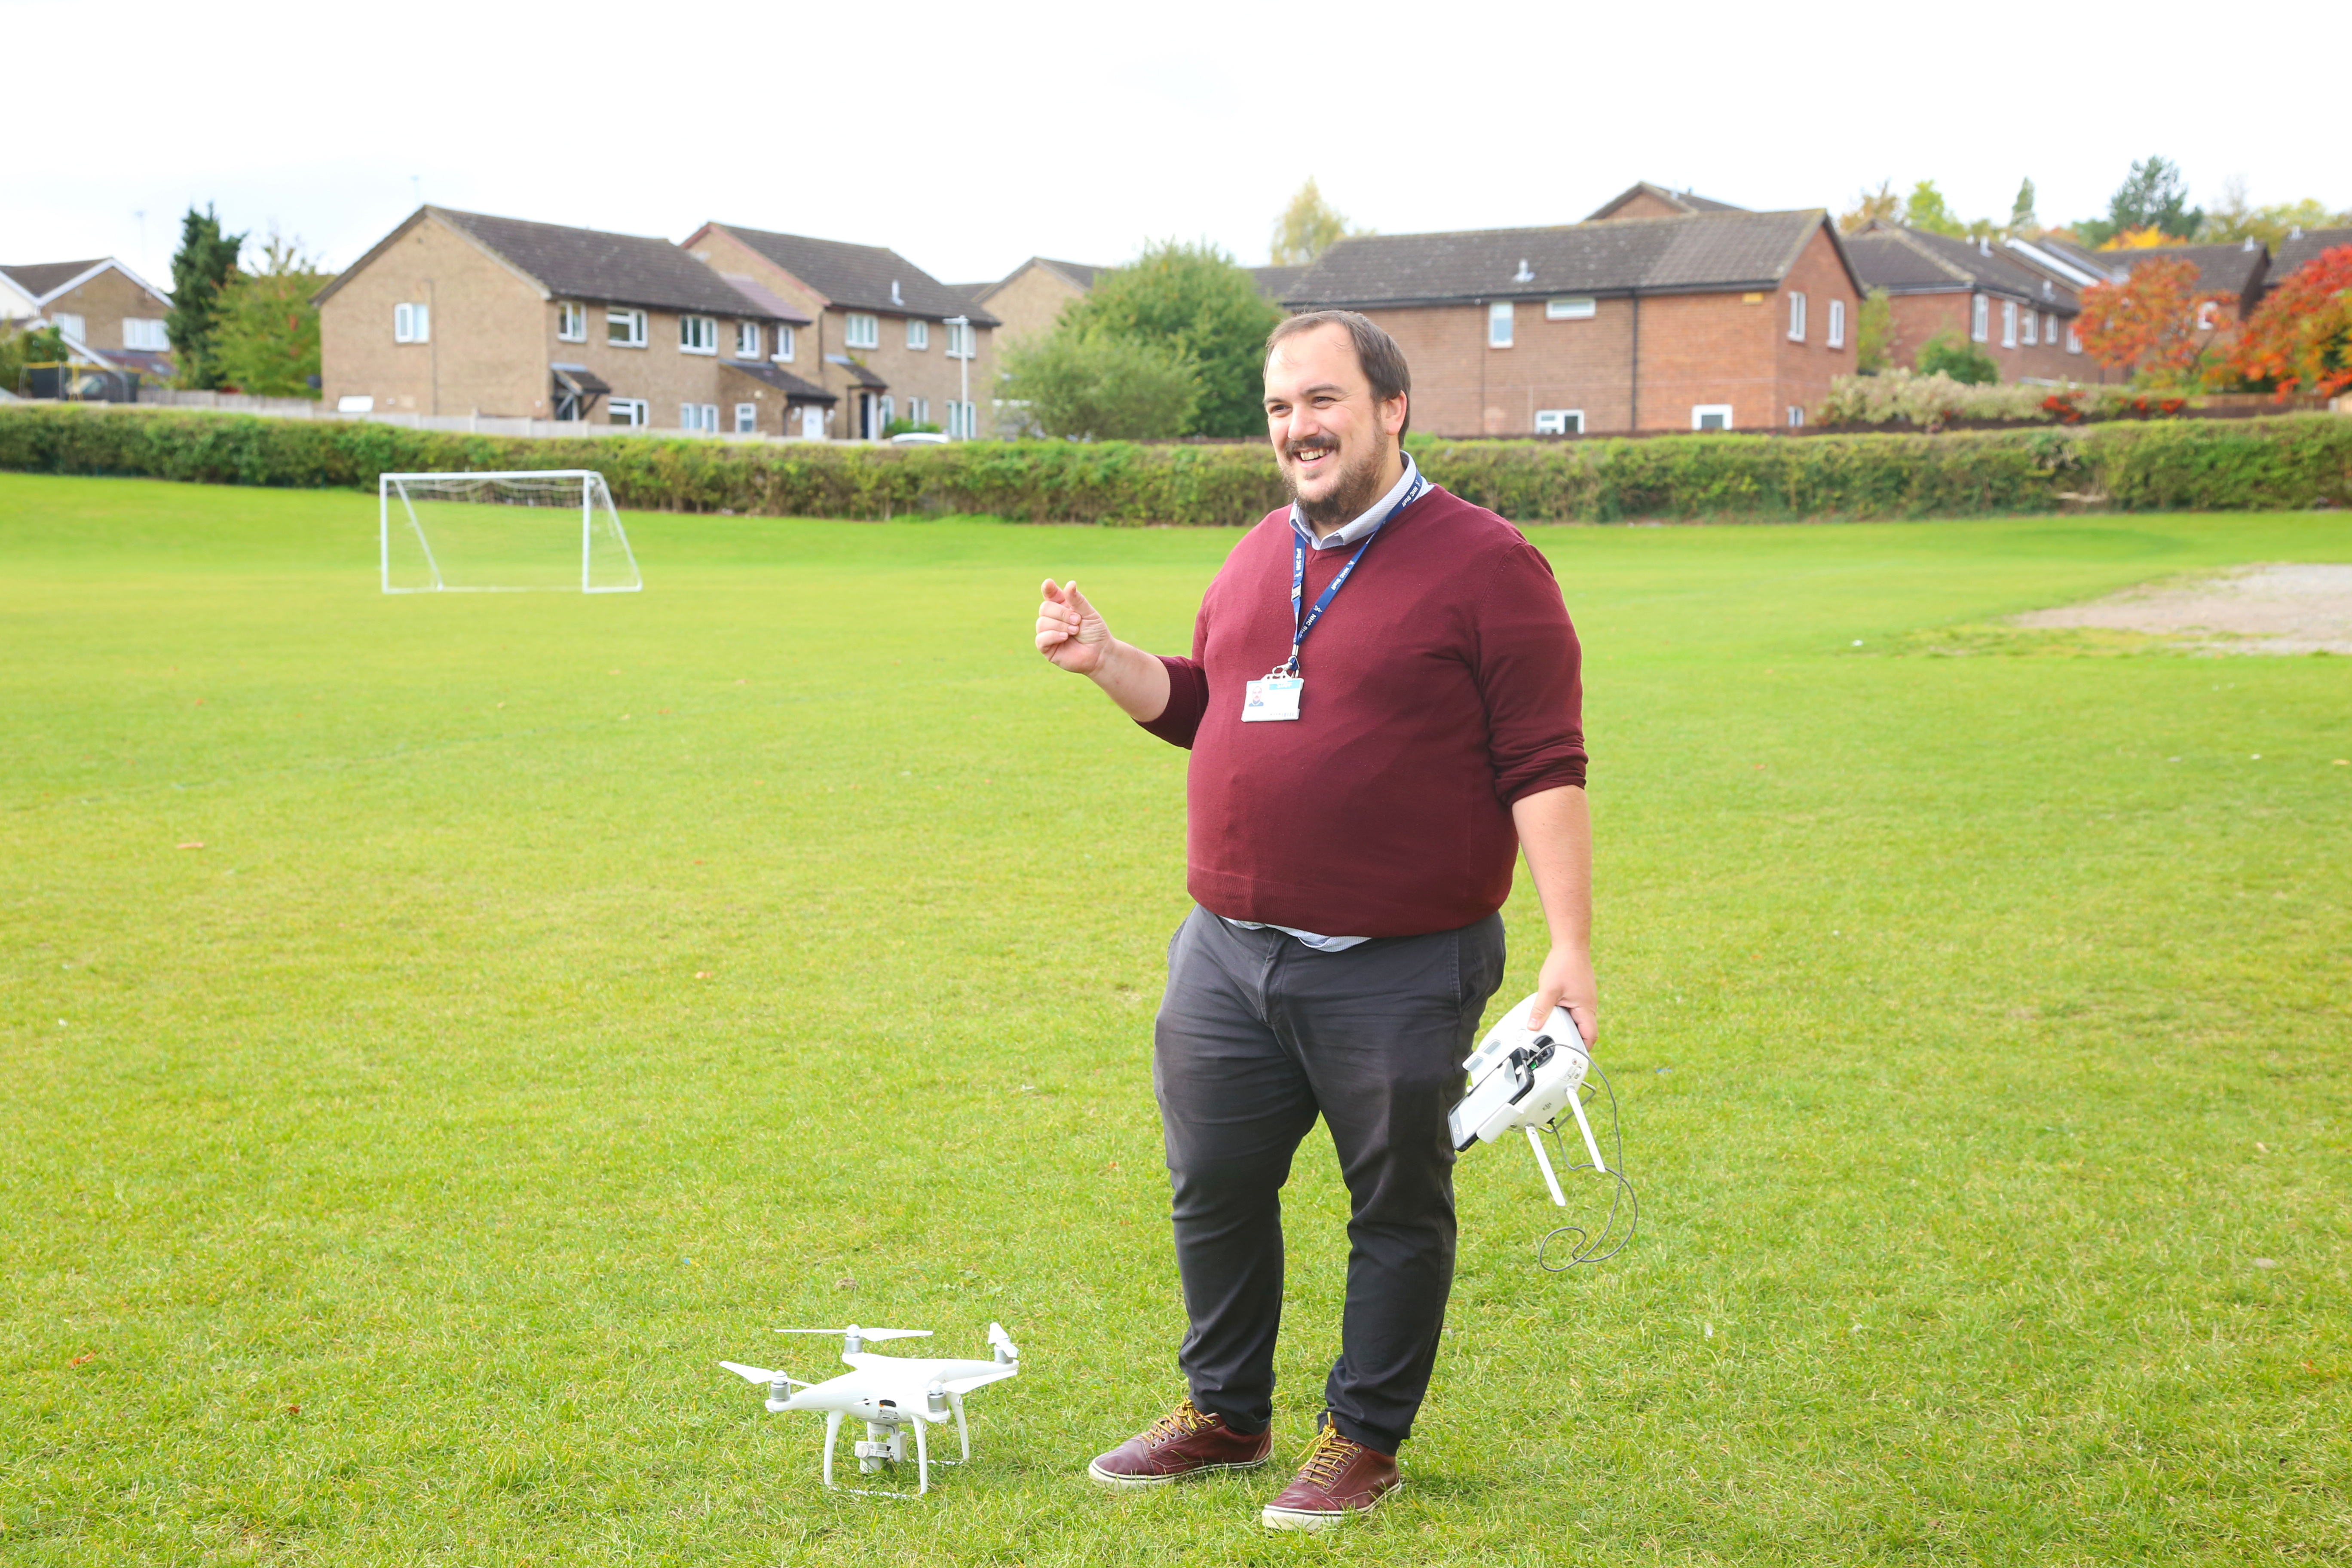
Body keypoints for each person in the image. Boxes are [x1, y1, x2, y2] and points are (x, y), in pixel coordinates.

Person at [1033, 310, 1592, 1531]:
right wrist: (1105, 658)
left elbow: (1547, 765)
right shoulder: (1254, 556)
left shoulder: (1492, 565)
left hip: (1398, 964)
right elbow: (1202, 706)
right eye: (1282, 407)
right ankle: (1227, 1413)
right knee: (1214, 1186)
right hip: (1228, 957)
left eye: (1324, 401)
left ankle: (1364, 1440)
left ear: (1392, 409)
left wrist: (1571, 950)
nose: (1300, 428)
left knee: (1394, 1201)